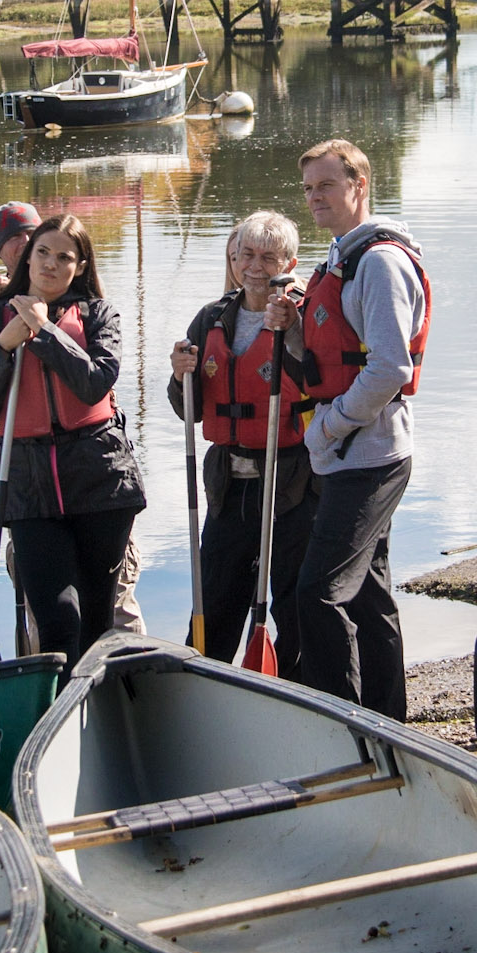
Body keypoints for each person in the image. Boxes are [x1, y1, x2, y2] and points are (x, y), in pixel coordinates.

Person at [281, 139, 429, 720]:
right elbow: (328, 352)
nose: (315, 197)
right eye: (309, 188)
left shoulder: (379, 261)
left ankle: (342, 728)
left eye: (327, 185)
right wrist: (292, 328)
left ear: (359, 186)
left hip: (369, 453)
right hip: (351, 452)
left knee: (317, 593)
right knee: (368, 596)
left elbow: (391, 367)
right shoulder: (340, 260)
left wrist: (327, 428)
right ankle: (390, 723)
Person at [0, 214, 146, 666]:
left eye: (65, 257)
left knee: (99, 619)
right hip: (29, 486)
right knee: (60, 618)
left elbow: (94, 383)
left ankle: (97, 713)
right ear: (28, 256)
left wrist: (45, 332)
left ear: (80, 267)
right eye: (43, 252)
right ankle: (61, 713)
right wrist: (5, 345)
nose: (51, 264)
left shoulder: (100, 314)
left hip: (101, 480)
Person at [168, 211, 319, 675]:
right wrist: (180, 377)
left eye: (269, 257)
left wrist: (291, 333)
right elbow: (185, 409)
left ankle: (296, 685)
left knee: (292, 597)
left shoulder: (305, 316)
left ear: (289, 262)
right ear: (233, 259)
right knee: (217, 591)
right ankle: (207, 678)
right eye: (247, 255)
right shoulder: (211, 318)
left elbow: (320, 383)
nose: (256, 267)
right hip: (229, 481)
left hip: (292, 477)